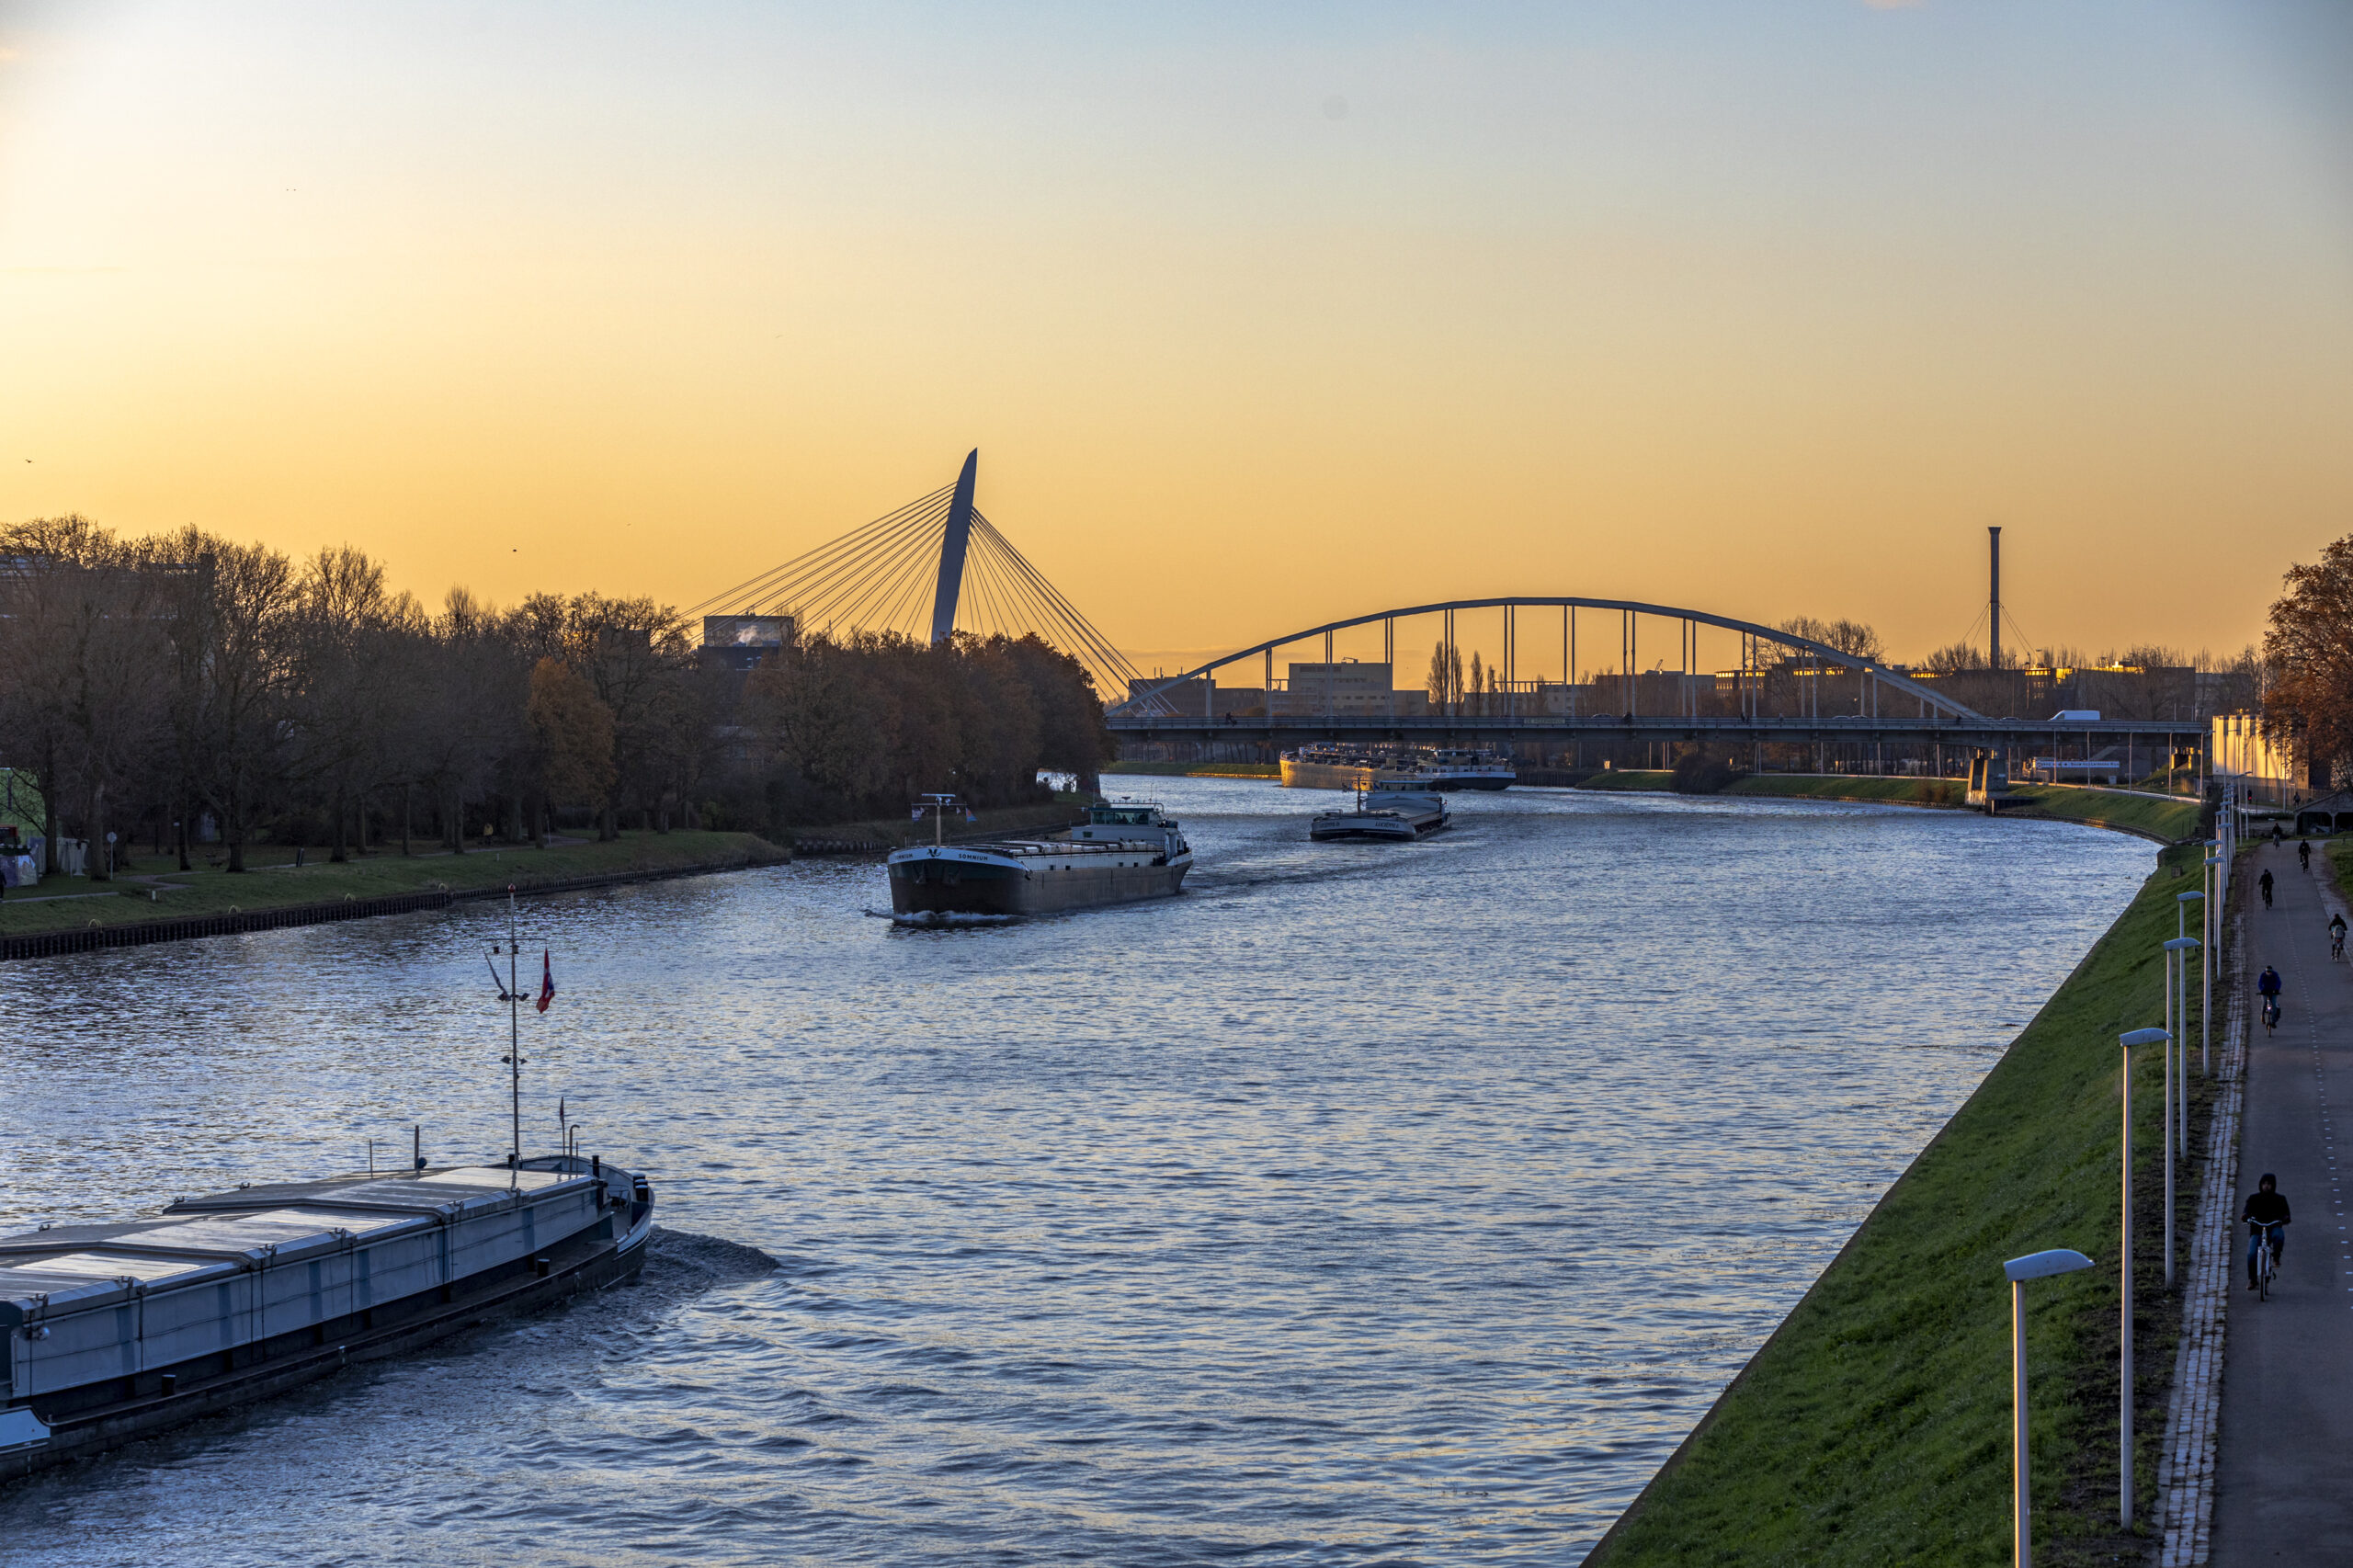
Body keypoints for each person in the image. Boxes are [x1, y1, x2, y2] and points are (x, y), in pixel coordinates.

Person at [2245, 1173, 2291, 1290]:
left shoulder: (2280, 1199)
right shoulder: (2253, 1199)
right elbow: (2246, 1212)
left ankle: (2276, 1257)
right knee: (2251, 1254)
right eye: (2264, 1184)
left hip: (2273, 1228)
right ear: (2260, 1185)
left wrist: (2285, 1218)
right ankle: (2252, 1279)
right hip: (2257, 1231)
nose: (2266, 1186)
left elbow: (2286, 1214)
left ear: (2273, 1185)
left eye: (2269, 1184)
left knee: (2279, 1236)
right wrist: (2245, 1216)